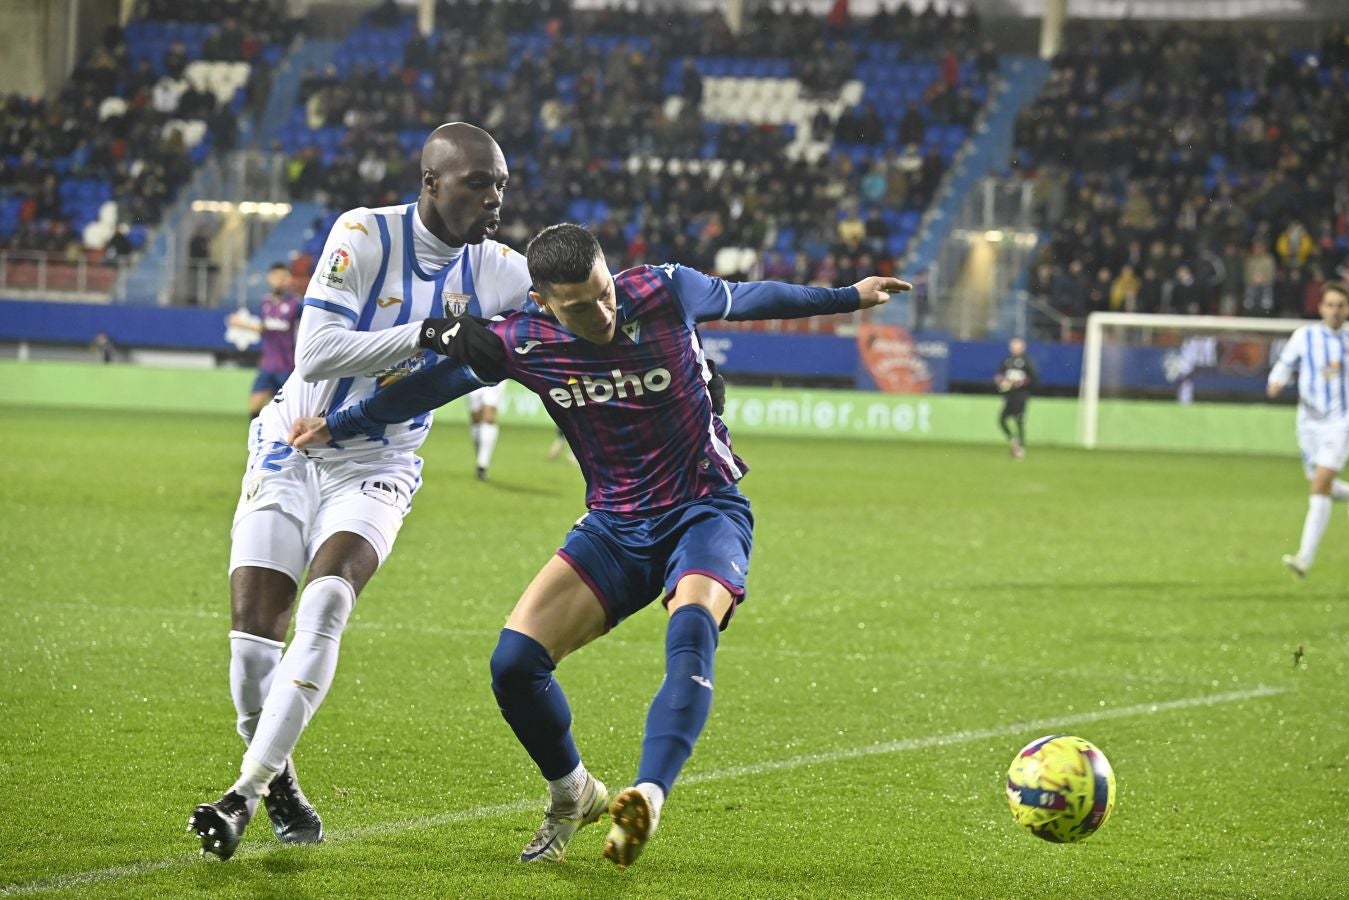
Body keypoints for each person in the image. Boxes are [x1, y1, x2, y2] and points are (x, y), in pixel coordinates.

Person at [290, 224, 910, 868]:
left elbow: (755, 297)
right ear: (543, 300)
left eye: (605, 294)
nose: (603, 313)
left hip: (705, 508)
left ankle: (648, 792)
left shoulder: (665, 290)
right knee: (513, 666)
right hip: (615, 528)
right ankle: (574, 794)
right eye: (581, 307)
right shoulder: (522, 339)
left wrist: (848, 295)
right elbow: (429, 388)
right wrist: (337, 425)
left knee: (692, 627)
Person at [187, 123, 533, 861]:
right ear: (431, 183)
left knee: (329, 600)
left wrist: (685, 357)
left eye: (501, 181)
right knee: (252, 649)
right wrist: (431, 333)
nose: (495, 194)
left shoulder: (502, 270)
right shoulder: (363, 235)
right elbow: (313, 352)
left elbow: (584, 304)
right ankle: (280, 781)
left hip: (378, 460)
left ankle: (244, 793)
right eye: (479, 181)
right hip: (292, 440)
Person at [1267, 281, 1349, 579]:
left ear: (1348, 310)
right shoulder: (1305, 336)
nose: (1335, 311)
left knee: (1320, 484)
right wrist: (1276, 380)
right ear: (1320, 308)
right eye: (1330, 305)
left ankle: (1304, 558)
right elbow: (1285, 363)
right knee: (1319, 483)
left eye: (1341, 306)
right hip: (1309, 423)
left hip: (1342, 422)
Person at [227, 262, 303, 418]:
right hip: (268, 365)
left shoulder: (296, 304)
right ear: (269, 278)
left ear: (288, 279)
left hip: (288, 366)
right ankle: (257, 440)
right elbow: (265, 329)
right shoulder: (266, 302)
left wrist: (241, 324)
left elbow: (266, 327)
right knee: (254, 405)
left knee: (292, 410)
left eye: (282, 277)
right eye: (275, 277)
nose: (279, 280)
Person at [995, 337, 1037, 459]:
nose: (1015, 348)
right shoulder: (1007, 360)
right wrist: (1002, 382)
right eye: (1013, 345)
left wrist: (1021, 382)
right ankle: (1013, 441)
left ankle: (1021, 448)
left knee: (1019, 421)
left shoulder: (1027, 361)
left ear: (1023, 347)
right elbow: (999, 375)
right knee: (1002, 420)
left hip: (1021, 395)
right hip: (1009, 395)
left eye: (1017, 345)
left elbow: (1034, 378)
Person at [466, 382, 504, 479]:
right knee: (476, 418)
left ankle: (482, 464)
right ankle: (481, 458)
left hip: (496, 374)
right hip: (474, 372)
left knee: (488, 416)